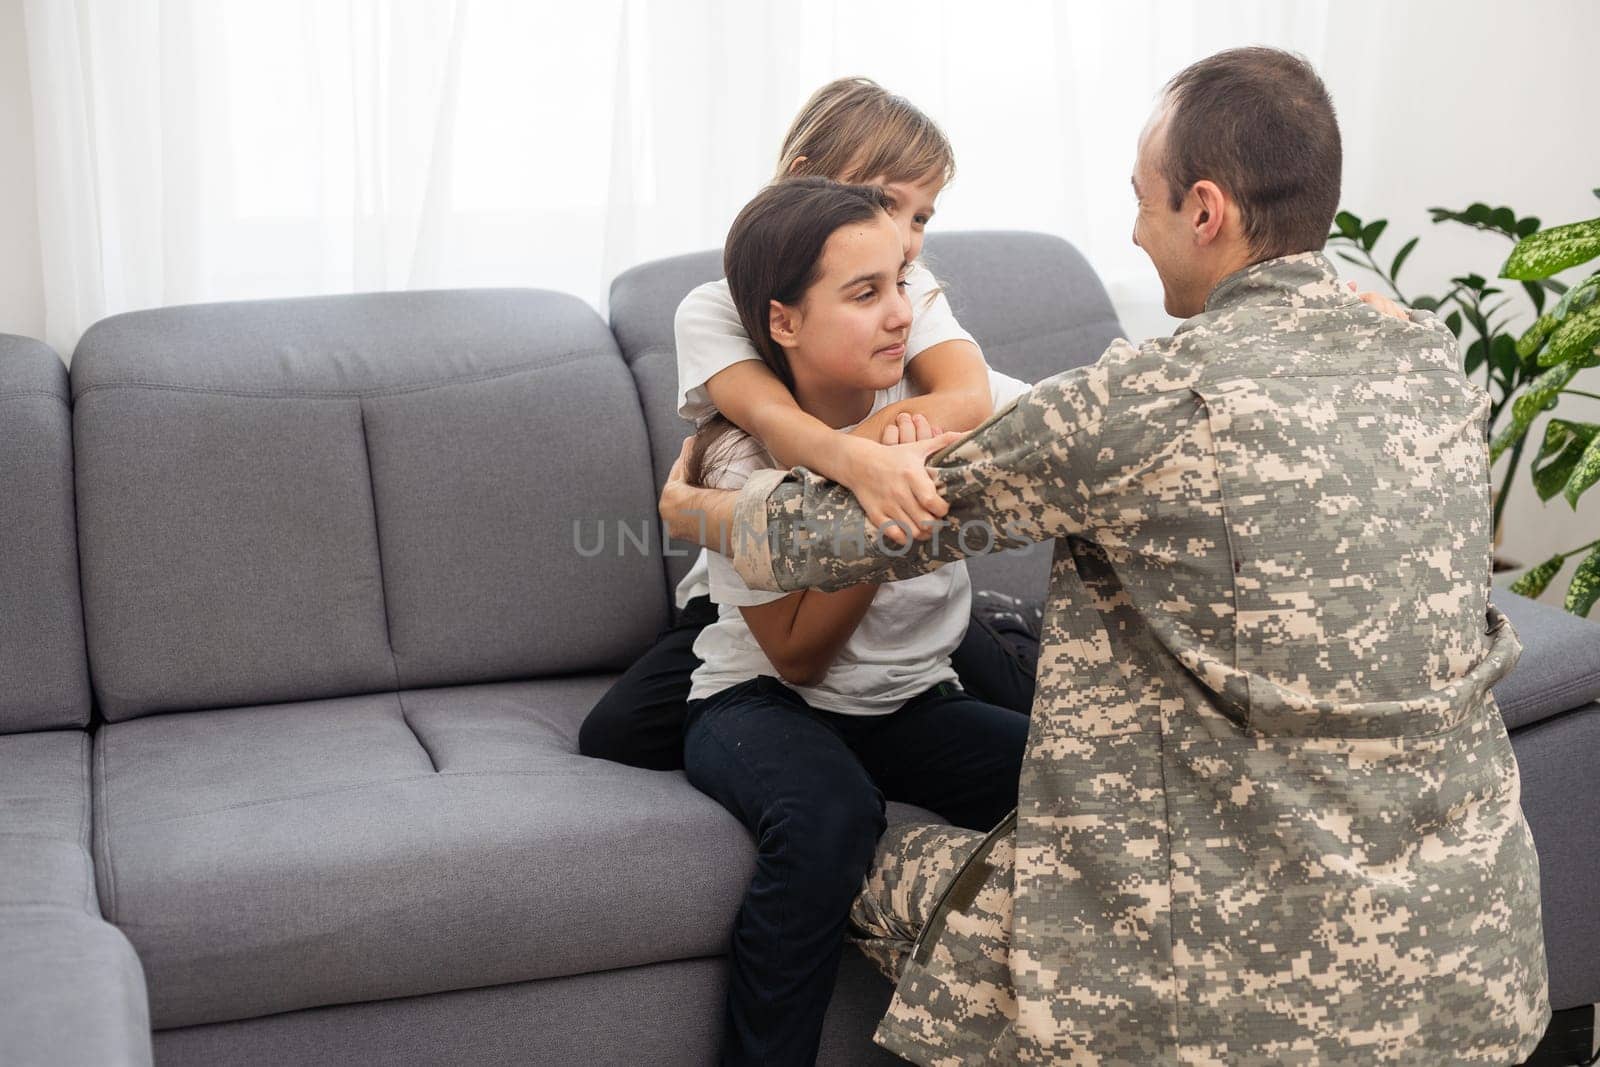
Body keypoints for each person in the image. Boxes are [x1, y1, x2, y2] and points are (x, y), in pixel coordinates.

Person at [658, 47, 1550, 1065]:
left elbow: (835, 528)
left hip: (1221, 988)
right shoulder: (1432, 360)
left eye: (1143, 201)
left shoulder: (1145, 403)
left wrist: (693, 510)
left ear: (1204, 210)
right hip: (1476, 965)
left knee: (866, 862)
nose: (1132, 229)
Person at [579, 77, 1041, 772]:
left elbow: (966, 399)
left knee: (1029, 708)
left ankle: (986, 628)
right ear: (804, 179)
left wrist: (706, 511)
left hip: (873, 567)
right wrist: (853, 472)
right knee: (620, 733)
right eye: (885, 202)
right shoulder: (716, 310)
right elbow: (780, 425)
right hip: (759, 582)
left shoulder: (903, 291)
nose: (905, 241)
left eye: (921, 218)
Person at [681, 176, 1031, 1066]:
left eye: (901, 286)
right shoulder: (736, 451)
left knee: (1067, 778)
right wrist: (879, 518)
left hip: (909, 698)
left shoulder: (931, 412)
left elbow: (1082, 407)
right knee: (830, 819)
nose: (898, 314)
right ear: (785, 322)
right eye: (864, 293)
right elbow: (796, 656)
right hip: (760, 700)